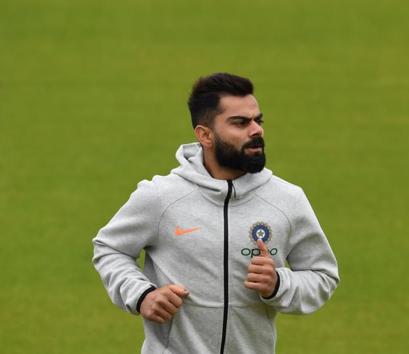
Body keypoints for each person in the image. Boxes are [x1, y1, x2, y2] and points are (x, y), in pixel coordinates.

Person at [92, 72, 340, 354]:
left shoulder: (287, 200)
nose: (256, 130)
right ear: (205, 135)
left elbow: (322, 276)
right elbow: (109, 249)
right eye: (240, 123)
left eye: (258, 121)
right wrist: (142, 295)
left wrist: (278, 284)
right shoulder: (161, 197)